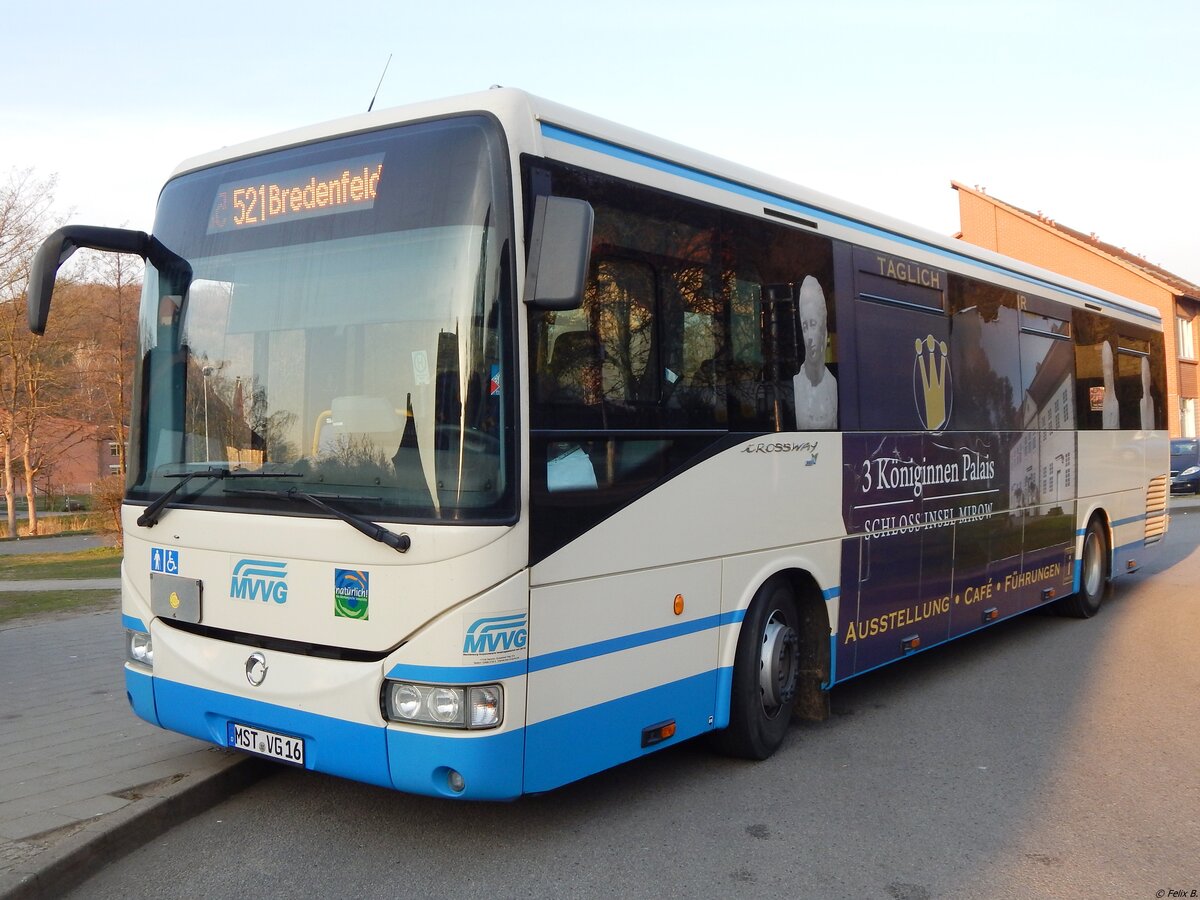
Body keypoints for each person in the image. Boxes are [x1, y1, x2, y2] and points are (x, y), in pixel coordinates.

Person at [792, 276, 837, 429]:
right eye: (805, 327)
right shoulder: (797, 383)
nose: (809, 337)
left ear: (823, 329)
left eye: (813, 324)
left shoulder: (832, 384)